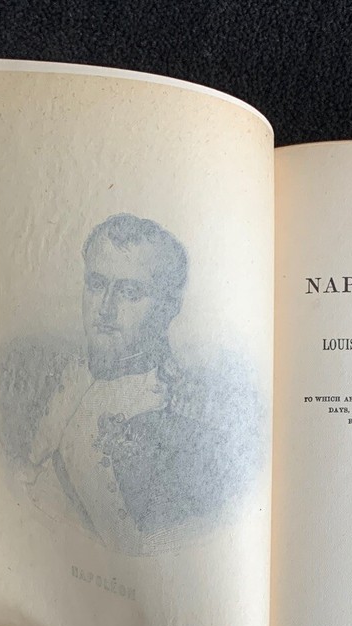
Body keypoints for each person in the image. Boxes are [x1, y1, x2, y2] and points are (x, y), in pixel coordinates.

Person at [18, 213, 243, 555]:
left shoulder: (183, 422)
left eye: (130, 292)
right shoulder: (60, 378)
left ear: (168, 308)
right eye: (97, 285)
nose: (105, 309)